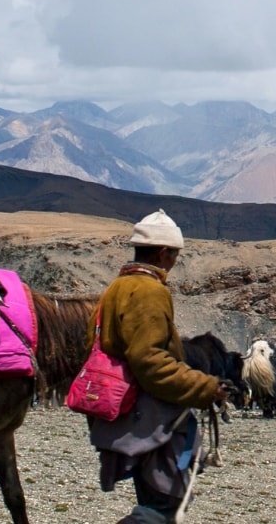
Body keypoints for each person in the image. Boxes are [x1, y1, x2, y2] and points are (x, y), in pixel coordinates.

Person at [89, 210, 230, 524]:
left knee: (153, 496)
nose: (175, 261)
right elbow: (151, 363)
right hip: (150, 415)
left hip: (123, 413)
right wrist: (206, 387)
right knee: (164, 502)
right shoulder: (150, 292)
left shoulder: (116, 288)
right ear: (164, 252)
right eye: (175, 254)